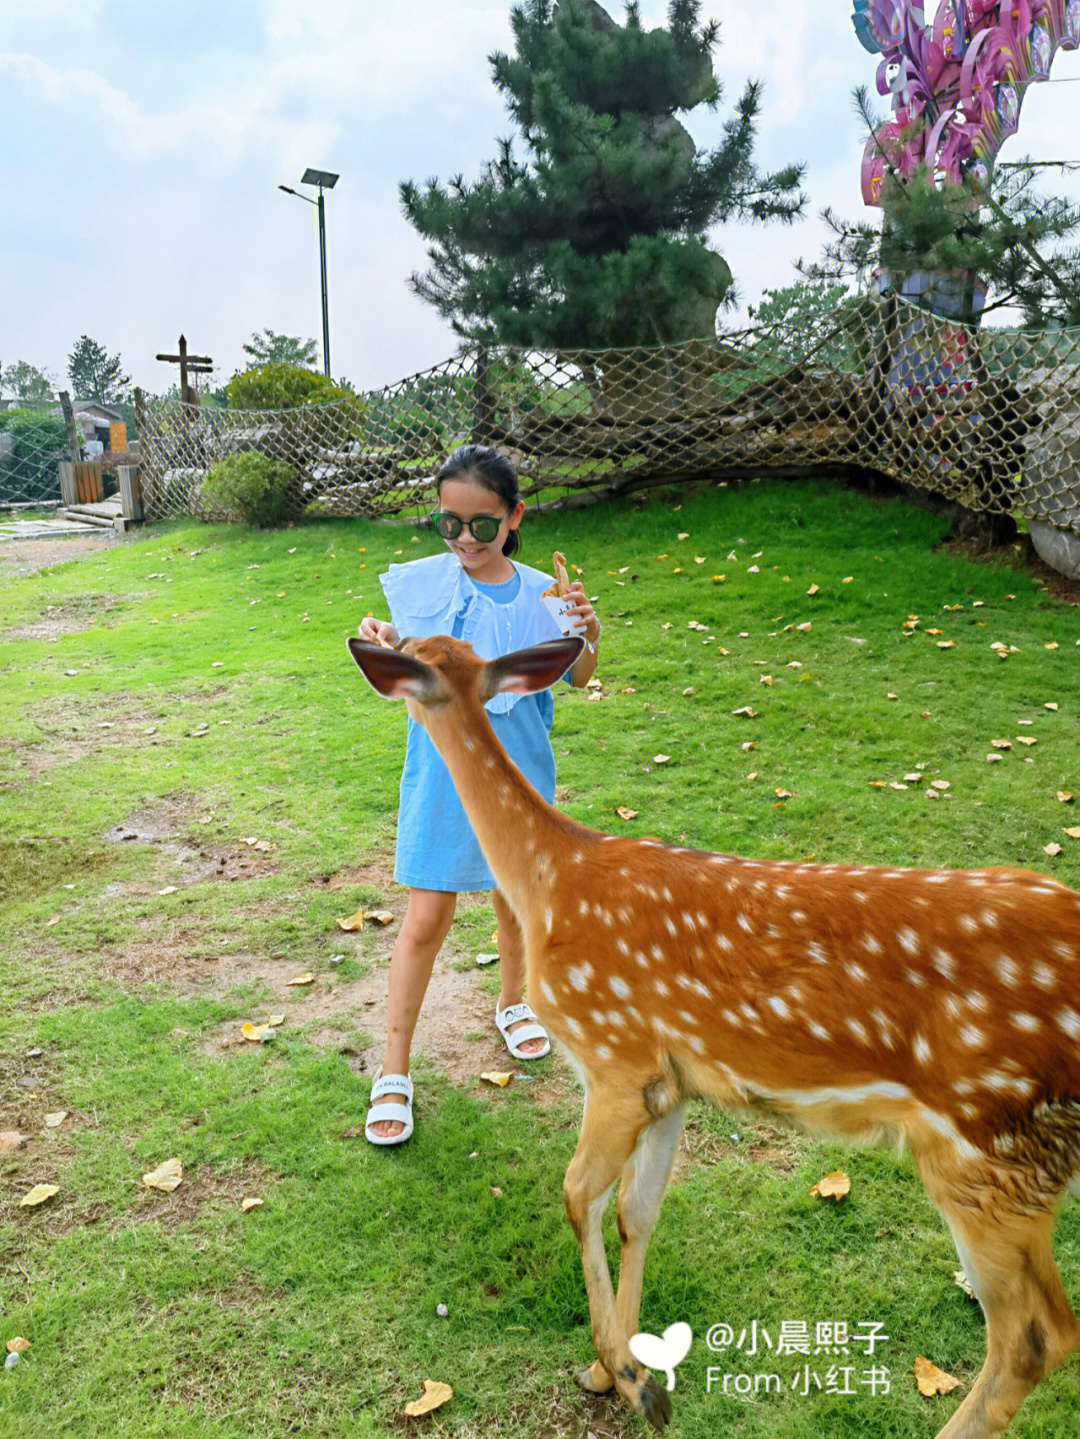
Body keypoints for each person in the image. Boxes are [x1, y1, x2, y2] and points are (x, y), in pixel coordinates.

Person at [357, 445, 601, 1145]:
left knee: (516, 904)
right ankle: (393, 1069)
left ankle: (513, 1003)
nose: (465, 540)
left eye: (483, 526)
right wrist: (382, 635)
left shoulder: (539, 595)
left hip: (519, 776)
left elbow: (581, 675)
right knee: (426, 917)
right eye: (450, 524)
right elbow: (407, 653)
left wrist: (586, 629)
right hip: (443, 778)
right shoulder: (428, 585)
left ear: (515, 516)